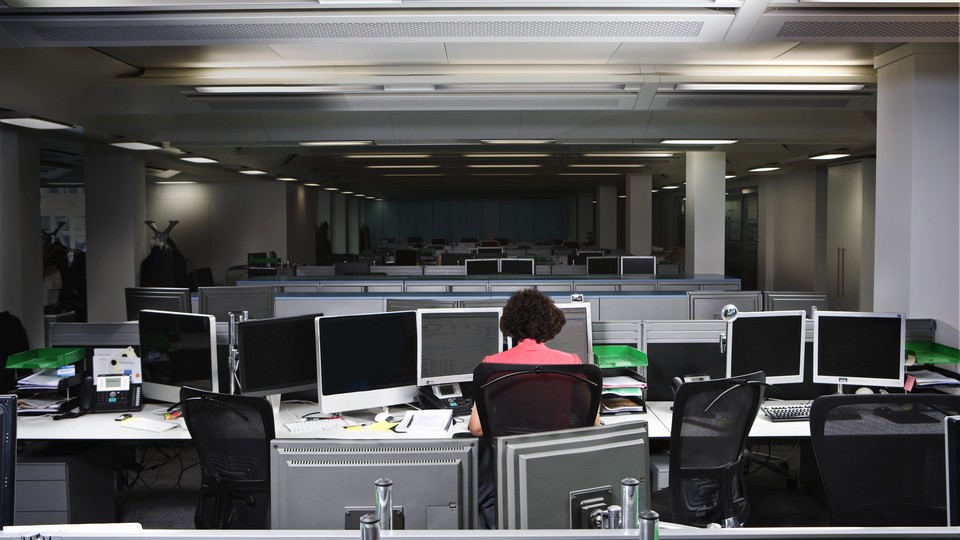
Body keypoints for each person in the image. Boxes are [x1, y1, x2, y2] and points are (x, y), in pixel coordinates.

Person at [467, 287, 591, 436]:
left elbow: (476, 428)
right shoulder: (572, 363)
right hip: (558, 453)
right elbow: (592, 422)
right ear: (550, 323)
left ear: (509, 323)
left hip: (510, 455)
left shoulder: (491, 366)